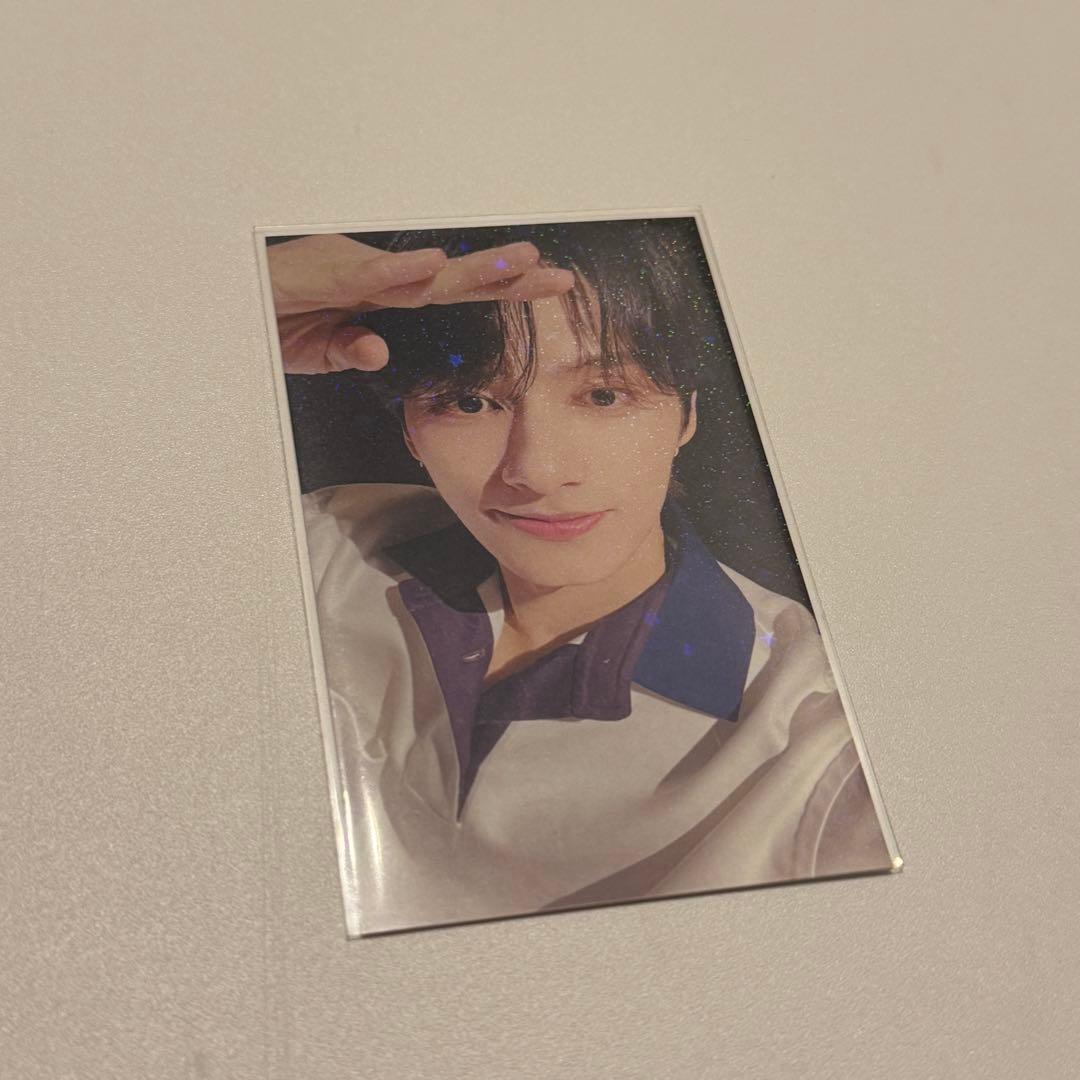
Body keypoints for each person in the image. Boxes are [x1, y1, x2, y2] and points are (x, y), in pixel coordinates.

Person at [267, 220, 894, 934]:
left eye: (603, 396)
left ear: (686, 415)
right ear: (409, 429)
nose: (535, 471)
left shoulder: (821, 743)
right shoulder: (327, 545)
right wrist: (252, 305)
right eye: (470, 402)